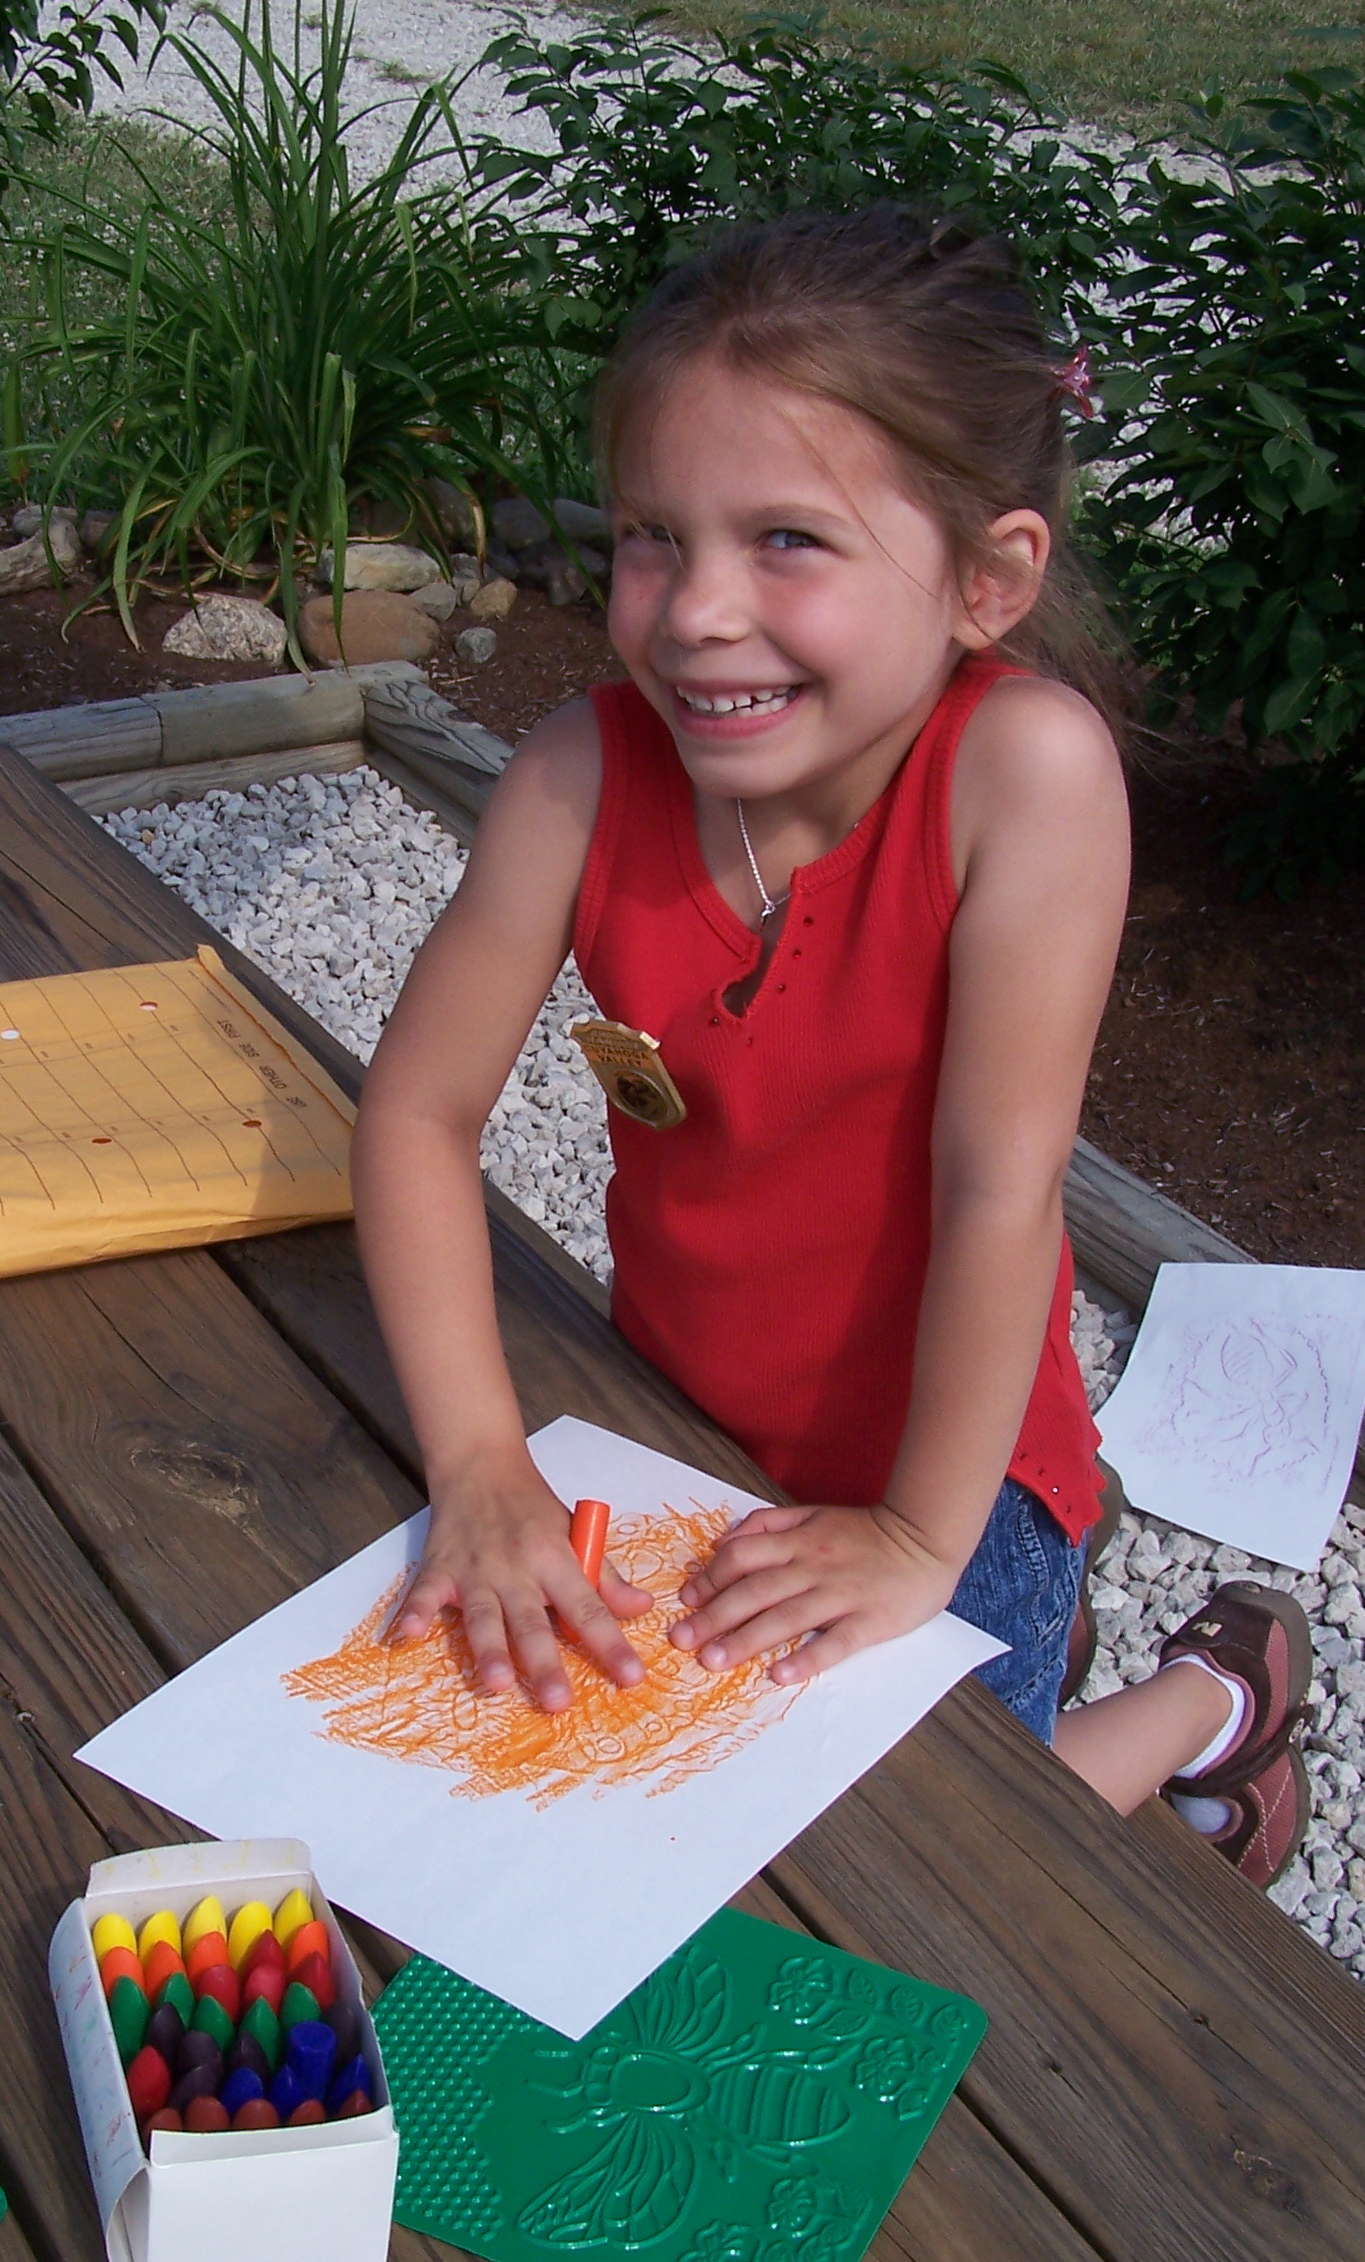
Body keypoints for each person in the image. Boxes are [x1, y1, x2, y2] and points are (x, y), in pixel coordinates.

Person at [351, 207, 1311, 1889]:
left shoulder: (1022, 775)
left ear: (986, 580)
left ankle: (1212, 1699)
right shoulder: (581, 774)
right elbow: (418, 1115)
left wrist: (921, 1540)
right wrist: (482, 1464)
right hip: (674, 1431)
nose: (697, 612)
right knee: (639, 1854)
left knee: (938, 1889)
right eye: (654, 536)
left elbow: (1001, 1191)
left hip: (948, 1480)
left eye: (788, 540)